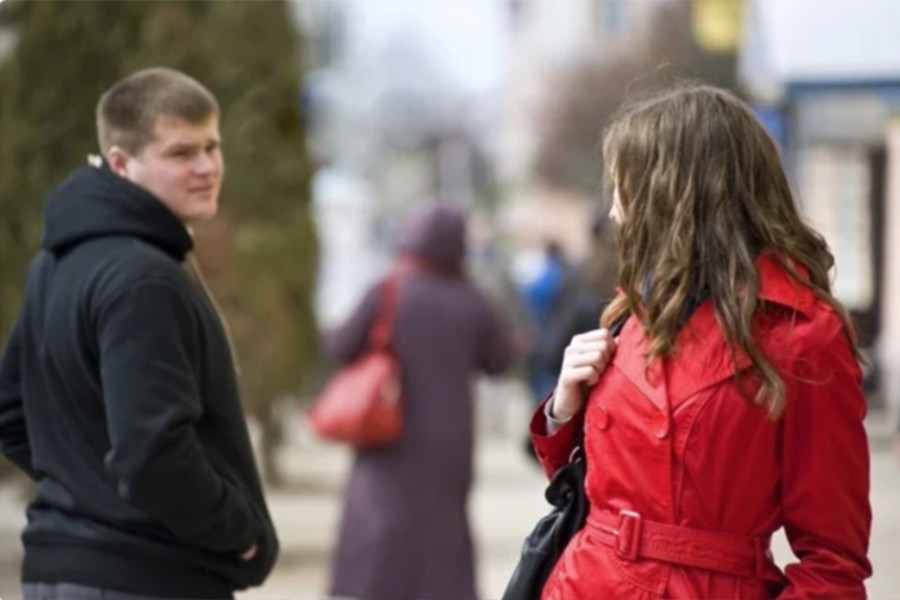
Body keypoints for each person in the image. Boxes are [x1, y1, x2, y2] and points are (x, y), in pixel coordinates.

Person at [530, 85, 871, 599]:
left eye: (624, 191)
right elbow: (591, 486)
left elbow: (834, 562)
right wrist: (563, 408)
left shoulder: (803, 335)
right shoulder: (631, 312)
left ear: (675, 195)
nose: (617, 216)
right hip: (585, 583)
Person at [0, 68, 278, 599]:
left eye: (212, 146)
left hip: (61, 576)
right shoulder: (144, 278)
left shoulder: (57, 262)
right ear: (121, 163)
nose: (206, 167)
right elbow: (154, 454)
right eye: (180, 153)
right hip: (145, 579)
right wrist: (238, 533)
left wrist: (89, 489)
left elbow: (11, 413)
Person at [326, 202, 513, 600]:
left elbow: (341, 345)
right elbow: (499, 360)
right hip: (450, 438)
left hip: (388, 428)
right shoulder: (471, 300)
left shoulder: (388, 289)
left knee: (382, 519)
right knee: (443, 527)